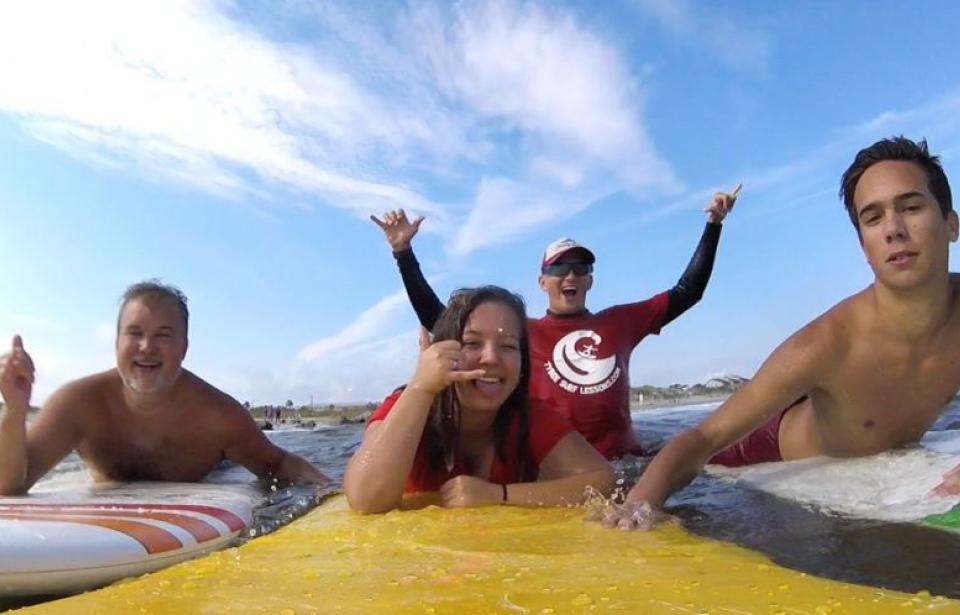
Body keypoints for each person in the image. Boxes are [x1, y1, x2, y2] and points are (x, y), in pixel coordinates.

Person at [610, 136, 960, 530]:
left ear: (951, 225)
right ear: (864, 245)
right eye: (873, 218)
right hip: (758, 447)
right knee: (645, 461)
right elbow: (704, 439)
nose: (894, 230)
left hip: (845, 433)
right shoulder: (828, 343)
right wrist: (640, 504)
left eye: (911, 207)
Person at [370, 187, 740, 459]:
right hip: (554, 465)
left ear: (590, 281)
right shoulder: (515, 333)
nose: (571, 275)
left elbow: (687, 292)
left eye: (582, 268)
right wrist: (403, 253)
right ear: (542, 282)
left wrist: (713, 224)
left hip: (627, 464)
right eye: (560, 267)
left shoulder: (620, 322)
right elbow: (440, 319)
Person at [0, 280, 328, 495]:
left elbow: (278, 465)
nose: (147, 347)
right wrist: (14, 413)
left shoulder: (218, 415)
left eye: (163, 335)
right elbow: (10, 485)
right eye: (135, 333)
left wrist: (332, 494)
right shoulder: (78, 404)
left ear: (184, 347)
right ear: (116, 342)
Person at [344, 286, 614, 513]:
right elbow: (364, 501)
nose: (491, 358)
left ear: (522, 366)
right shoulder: (407, 405)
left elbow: (603, 482)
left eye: (508, 346)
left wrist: (500, 495)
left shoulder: (529, 416)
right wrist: (420, 387)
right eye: (472, 343)